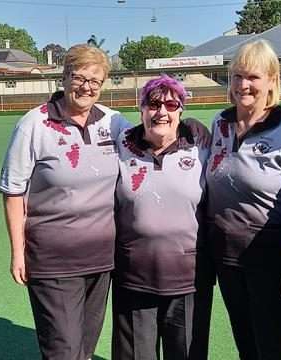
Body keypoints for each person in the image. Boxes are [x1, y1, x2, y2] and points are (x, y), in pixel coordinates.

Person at [0, 44, 130, 360]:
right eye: (79, 77)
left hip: (101, 259)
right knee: (63, 350)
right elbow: (13, 192)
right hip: (53, 258)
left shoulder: (114, 123)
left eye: (95, 81)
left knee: (84, 346)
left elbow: (147, 150)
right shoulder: (34, 124)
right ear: (64, 77)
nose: (86, 87)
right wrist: (18, 251)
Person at [204, 40, 281, 360]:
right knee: (247, 345)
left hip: (272, 258)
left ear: (272, 81)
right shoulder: (219, 123)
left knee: (274, 348)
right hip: (226, 256)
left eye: (253, 77)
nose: (243, 85)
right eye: (237, 76)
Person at [111, 75, 212, 360]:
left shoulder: (200, 144)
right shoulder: (122, 145)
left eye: (171, 104)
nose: (162, 112)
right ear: (141, 108)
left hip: (188, 278)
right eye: (154, 104)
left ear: (181, 110)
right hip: (133, 276)